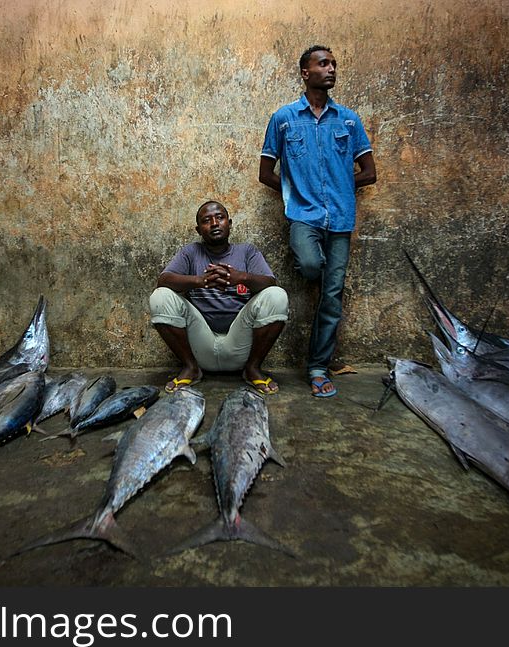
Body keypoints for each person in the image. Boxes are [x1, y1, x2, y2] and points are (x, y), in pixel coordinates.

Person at [259, 44, 376, 398]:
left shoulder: (349, 120)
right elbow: (266, 172)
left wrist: (342, 184)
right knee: (311, 265)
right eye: (323, 64)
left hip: (340, 219)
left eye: (334, 64)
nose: (331, 69)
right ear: (305, 73)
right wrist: (295, 192)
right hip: (303, 216)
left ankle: (319, 367)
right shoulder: (284, 118)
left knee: (332, 297)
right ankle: (320, 272)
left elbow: (369, 172)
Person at [149, 201, 289, 394]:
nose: (214, 223)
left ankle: (252, 369)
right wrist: (200, 281)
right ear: (199, 230)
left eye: (220, 217)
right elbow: (163, 280)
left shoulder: (246, 251)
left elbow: (270, 283)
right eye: (206, 220)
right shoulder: (191, 252)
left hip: (239, 345)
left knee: (277, 295)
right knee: (160, 296)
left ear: (229, 223)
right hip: (201, 346)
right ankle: (191, 368)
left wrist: (241, 277)